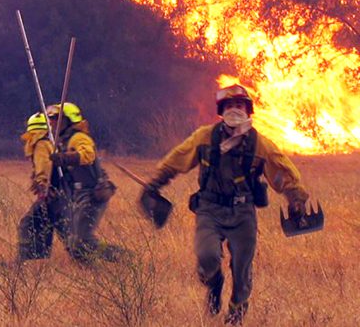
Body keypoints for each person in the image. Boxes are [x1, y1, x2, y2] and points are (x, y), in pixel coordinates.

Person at [142, 84, 311, 325]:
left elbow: (281, 172)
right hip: (209, 210)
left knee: (242, 271)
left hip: (243, 214)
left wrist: (296, 198)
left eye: (239, 105)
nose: (234, 109)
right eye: (229, 105)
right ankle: (215, 283)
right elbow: (177, 159)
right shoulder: (204, 137)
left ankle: (235, 315)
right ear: (222, 110)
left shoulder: (259, 143)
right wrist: (156, 182)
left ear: (247, 110)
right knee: (207, 256)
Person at [45, 102, 120, 263]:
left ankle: (124, 258)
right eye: (51, 118)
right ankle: (90, 271)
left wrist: (65, 158)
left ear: (67, 120)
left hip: (92, 193)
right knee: (74, 242)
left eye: (56, 118)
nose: (51, 122)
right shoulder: (61, 142)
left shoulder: (79, 138)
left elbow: (87, 155)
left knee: (82, 241)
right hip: (78, 193)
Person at [17, 111, 71, 261]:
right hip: (60, 193)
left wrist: (42, 186)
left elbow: (44, 167)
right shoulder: (50, 143)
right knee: (63, 231)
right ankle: (39, 259)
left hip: (50, 194)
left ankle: (26, 261)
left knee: (27, 224)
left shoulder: (40, 145)